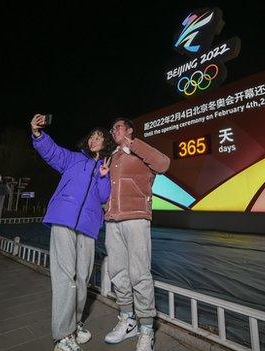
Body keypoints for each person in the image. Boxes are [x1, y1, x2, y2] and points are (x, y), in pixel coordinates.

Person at [29, 114, 114, 351]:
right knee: (65, 276)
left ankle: (75, 324)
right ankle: (62, 336)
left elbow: (104, 197)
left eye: (99, 137)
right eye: (92, 136)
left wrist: (104, 177)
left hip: (87, 226)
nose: (94, 140)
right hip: (63, 219)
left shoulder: (105, 168)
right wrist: (38, 134)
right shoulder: (74, 159)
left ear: (105, 142)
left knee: (82, 279)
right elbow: (52, 151)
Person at [104, 118, 170, 351]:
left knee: (139, 273)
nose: (114, 131)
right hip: (112, 220)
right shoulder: (111, 157)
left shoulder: (140, 150)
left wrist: (132, 144)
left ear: (129, 130)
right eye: (112, 129)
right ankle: (127, 319)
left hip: (136, 217)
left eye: (118, 127)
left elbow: (163, 164)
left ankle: (146, 329)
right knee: (117, 271)